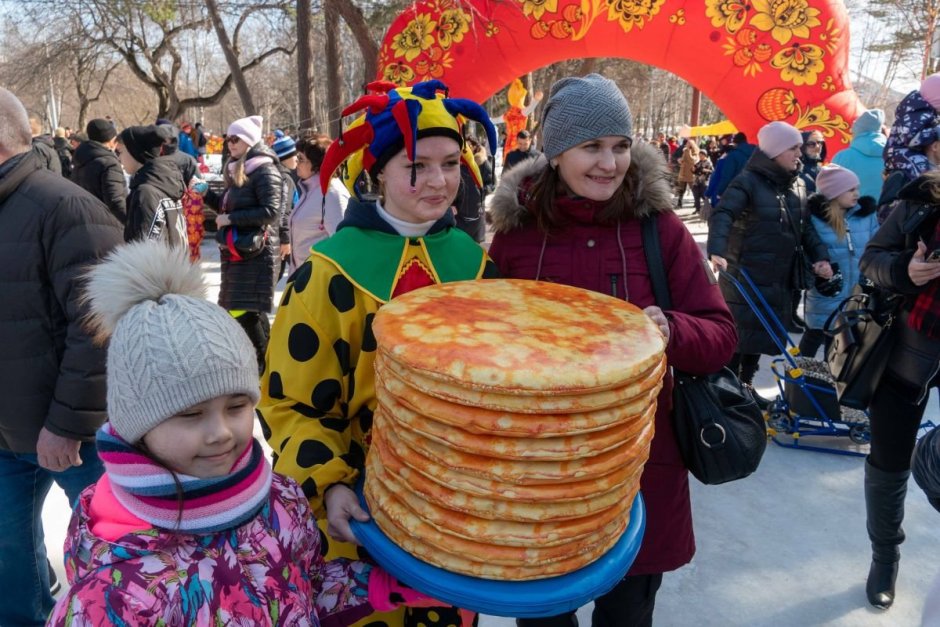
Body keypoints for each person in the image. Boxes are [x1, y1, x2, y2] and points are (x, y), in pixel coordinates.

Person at [47, 241, 440, 626]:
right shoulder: (113, 596)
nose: (220, 432)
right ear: (137, 426)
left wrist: (383, 584)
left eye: (236, 407)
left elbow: (301, 589)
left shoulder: (281, 502)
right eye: (190, 414)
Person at [487, 73, 738, 627]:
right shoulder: (517, 235)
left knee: (628, 614)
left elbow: (720, 336)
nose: (609, 163)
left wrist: (670, 328)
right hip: (542, 472)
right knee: (544, 616)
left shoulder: (661, 230)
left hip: (640, 465)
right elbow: (483, 347)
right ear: (555, 153)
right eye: (591, 147)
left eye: (620, 146)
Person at [258, 79, 499, 627]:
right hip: (361, 522)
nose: (439, 181)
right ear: (379, 172)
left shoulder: (478, 267)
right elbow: (289, 405)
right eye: (417, 165)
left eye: (451, 163)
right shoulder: (328, 275)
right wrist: (332, 484)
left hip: (459, 523)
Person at [0, 87, 122, 626]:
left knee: (121, 554)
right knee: (11, 566)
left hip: (74, 437)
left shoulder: (65, 205)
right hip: (7, 431)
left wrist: (67, 425)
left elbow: (98, 329)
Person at [858, 167, 940, 611]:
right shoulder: (926, 197)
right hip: (908, 352)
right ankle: (884, 556)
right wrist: (906, 270)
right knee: (888, 460)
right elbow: (872, 258)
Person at [707, 121, 832, 404]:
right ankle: (723, 392)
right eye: (793, 148)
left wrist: (821, 257)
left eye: (800, 147)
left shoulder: (799, 183)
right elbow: (723, 213)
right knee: (739, 337)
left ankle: (746, 388)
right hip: (746, 274)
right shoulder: (748, 181)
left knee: (759, 338)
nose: (800, 153)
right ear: (774, 151)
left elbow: (806, 229)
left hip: (779, 276)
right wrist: (717, 250)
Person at [202, 115, 282, 373]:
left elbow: (271, 211)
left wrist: (230, 218)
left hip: (257, 253)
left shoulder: (264, 169)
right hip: (239, 252)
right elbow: (229, 208)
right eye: (227, 139)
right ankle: (263, 362)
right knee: (245, 310)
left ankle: (263, 363)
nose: (229, 144)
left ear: (248, 140)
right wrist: (208, 196)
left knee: (245, 310)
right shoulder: (239, 168)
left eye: (235, 139)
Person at [799, 165, 879, 358]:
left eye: (857, 188)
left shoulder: (866, 216)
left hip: (856, 292)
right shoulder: (815, 220)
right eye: (851, 189)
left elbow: (877, 245)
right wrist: (816, 265)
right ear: (834, 193)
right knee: (816, 335)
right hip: (827, 292)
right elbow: (807, 249)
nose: (857, 194)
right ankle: (798, 381)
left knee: (842, 346)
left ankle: (832, 385)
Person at [286, 133, 350, 271]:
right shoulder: (309, 189)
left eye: (301, 159)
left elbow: (342, 244)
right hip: (302, 278)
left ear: (317, 164)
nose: (296, 162)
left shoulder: (332, 194)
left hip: (320, 281)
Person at [117, 125, 187, 247]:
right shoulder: (166, 182)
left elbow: (146, 247)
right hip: (173, 264)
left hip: (155, 265)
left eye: (121, 152)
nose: (119, 158)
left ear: (135, 153)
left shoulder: (145, 193)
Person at [156, 121, 206, 261]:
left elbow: (202, 186)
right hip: (158, 212)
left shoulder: (186, 160)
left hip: (182, 215)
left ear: (171, 139)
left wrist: (192, 192)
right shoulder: (152, 158)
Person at [71, 118, 127, 225]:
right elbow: (115, 201)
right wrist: (131, 224)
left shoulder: (80, 157)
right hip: (107, 224)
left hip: (84, 219)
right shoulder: (109, 163)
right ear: (110, 140)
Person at [831, 109, 887, 202]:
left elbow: (827, 188)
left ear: (856, 131)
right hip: (880, 214)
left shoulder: (843, 156)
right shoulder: (891, 159)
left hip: (845, 213)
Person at [272, 131, 299, 275]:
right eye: (294, 155)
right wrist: (285, 240)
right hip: (280, 239)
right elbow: (283, 210)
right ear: (285, 157)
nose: (297, 159)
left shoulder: (280, 174)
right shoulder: (285, 179)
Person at [705, 131, 755, 207]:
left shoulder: (731, 157)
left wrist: (718, 193)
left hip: (734, 193)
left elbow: (725, 176)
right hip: (752, 194)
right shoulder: (755, 153)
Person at [674, 139, 697, 208]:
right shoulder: (685, 151)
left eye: (689, 144)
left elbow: (692, 160)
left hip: (690, 173)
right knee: (681, 189)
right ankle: (679, 203)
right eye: (687, 143)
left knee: (693, 189)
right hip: (683, 172)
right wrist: (680, 160)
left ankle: (696, 202)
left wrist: (688, 151)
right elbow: (682, 159)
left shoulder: (694, 152)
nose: (687, 144)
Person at [691, 149, 713, 213]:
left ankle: (708, 209)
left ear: (705, 155)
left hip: (704, 181)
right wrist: (692, 169)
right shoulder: (698, 162)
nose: (700, 156)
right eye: (699, 155)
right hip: (697, 181)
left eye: (701, 155)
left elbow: (711, 171)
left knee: (704, 196)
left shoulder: (708, 162)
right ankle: (698, 209)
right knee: (696, 196)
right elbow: (694, 171)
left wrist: (705, 170)